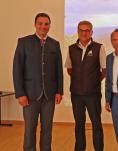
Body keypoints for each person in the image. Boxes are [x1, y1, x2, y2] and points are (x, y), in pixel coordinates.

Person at [13, 12, 63, 151]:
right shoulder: (23, 42)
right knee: (30, 130)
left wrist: (59, 91)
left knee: (47, 130)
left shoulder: (55, 44)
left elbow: (58, 70)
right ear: (35, 24)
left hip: (49, 96)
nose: (43, 26)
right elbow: (17, 69)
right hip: (29, 95)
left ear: (49, 26)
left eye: (46, 24)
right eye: (40, 23)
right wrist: (20, 93)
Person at [65, 20, 106, 151]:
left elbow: (104, 71)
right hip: (76, 94)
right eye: (81, 30)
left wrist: (92, 82)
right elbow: (69, 69)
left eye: (87, 30)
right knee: (79, 124)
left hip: (93, 94)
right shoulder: (71, 48)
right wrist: (80, 80)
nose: (84, 33)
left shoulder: (99, 47)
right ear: (78, 32)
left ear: (91, 32)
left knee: (96, 124)